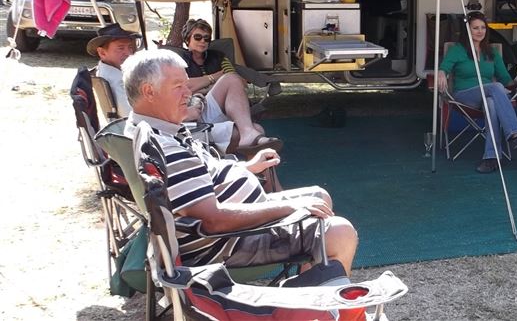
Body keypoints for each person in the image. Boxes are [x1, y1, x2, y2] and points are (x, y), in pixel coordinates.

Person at [121, 49, 358, 274]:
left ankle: (313, 288)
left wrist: (245, 168)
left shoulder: (154, 128)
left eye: (186, 84)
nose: (188, 93)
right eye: (178, 86)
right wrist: (290, 207)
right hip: (225, 242)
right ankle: (315, 295)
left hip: (229, 227)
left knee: (318, 196)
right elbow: (212, 220)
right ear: (149, 91)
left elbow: (195, 181)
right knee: (340, 233)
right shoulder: (164, 146)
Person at [89, 24, 279, 158]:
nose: (128, 53)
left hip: (187, 109)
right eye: (120, 48)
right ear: (102, 52)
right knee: (257, 130)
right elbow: (141, 116)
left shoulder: (217, 56)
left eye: (130, 47)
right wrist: (191, 107)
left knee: (232, 79)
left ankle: (247, 137)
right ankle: (261, 184)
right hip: (181, 124)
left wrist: (196, 95)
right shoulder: (117, 80)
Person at [437, 11, 517, 174]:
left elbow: (506, 80)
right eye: (475, 28)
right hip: (464, 96)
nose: (480, 31)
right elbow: (445, 67)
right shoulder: (457, 50)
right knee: (495, 87)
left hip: (488, 95)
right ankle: (515, 135)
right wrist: (441, 72)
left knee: (492, 102)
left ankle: (491, 158)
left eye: (483, 27)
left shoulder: (491, 52)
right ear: (467, 30)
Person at [177, 18, 279, 155]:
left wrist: (203, 86)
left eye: (207, 38)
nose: (203, 41)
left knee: (258, 129)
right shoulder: (179, 60)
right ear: (187, 39)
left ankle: (251, 147)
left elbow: (239, 82)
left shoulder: (219, 57)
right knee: (229, 80)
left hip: (222, 109)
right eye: (198, 37)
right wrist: (214, 78)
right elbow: (184, 86)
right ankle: (247, 135)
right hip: (196, 110)